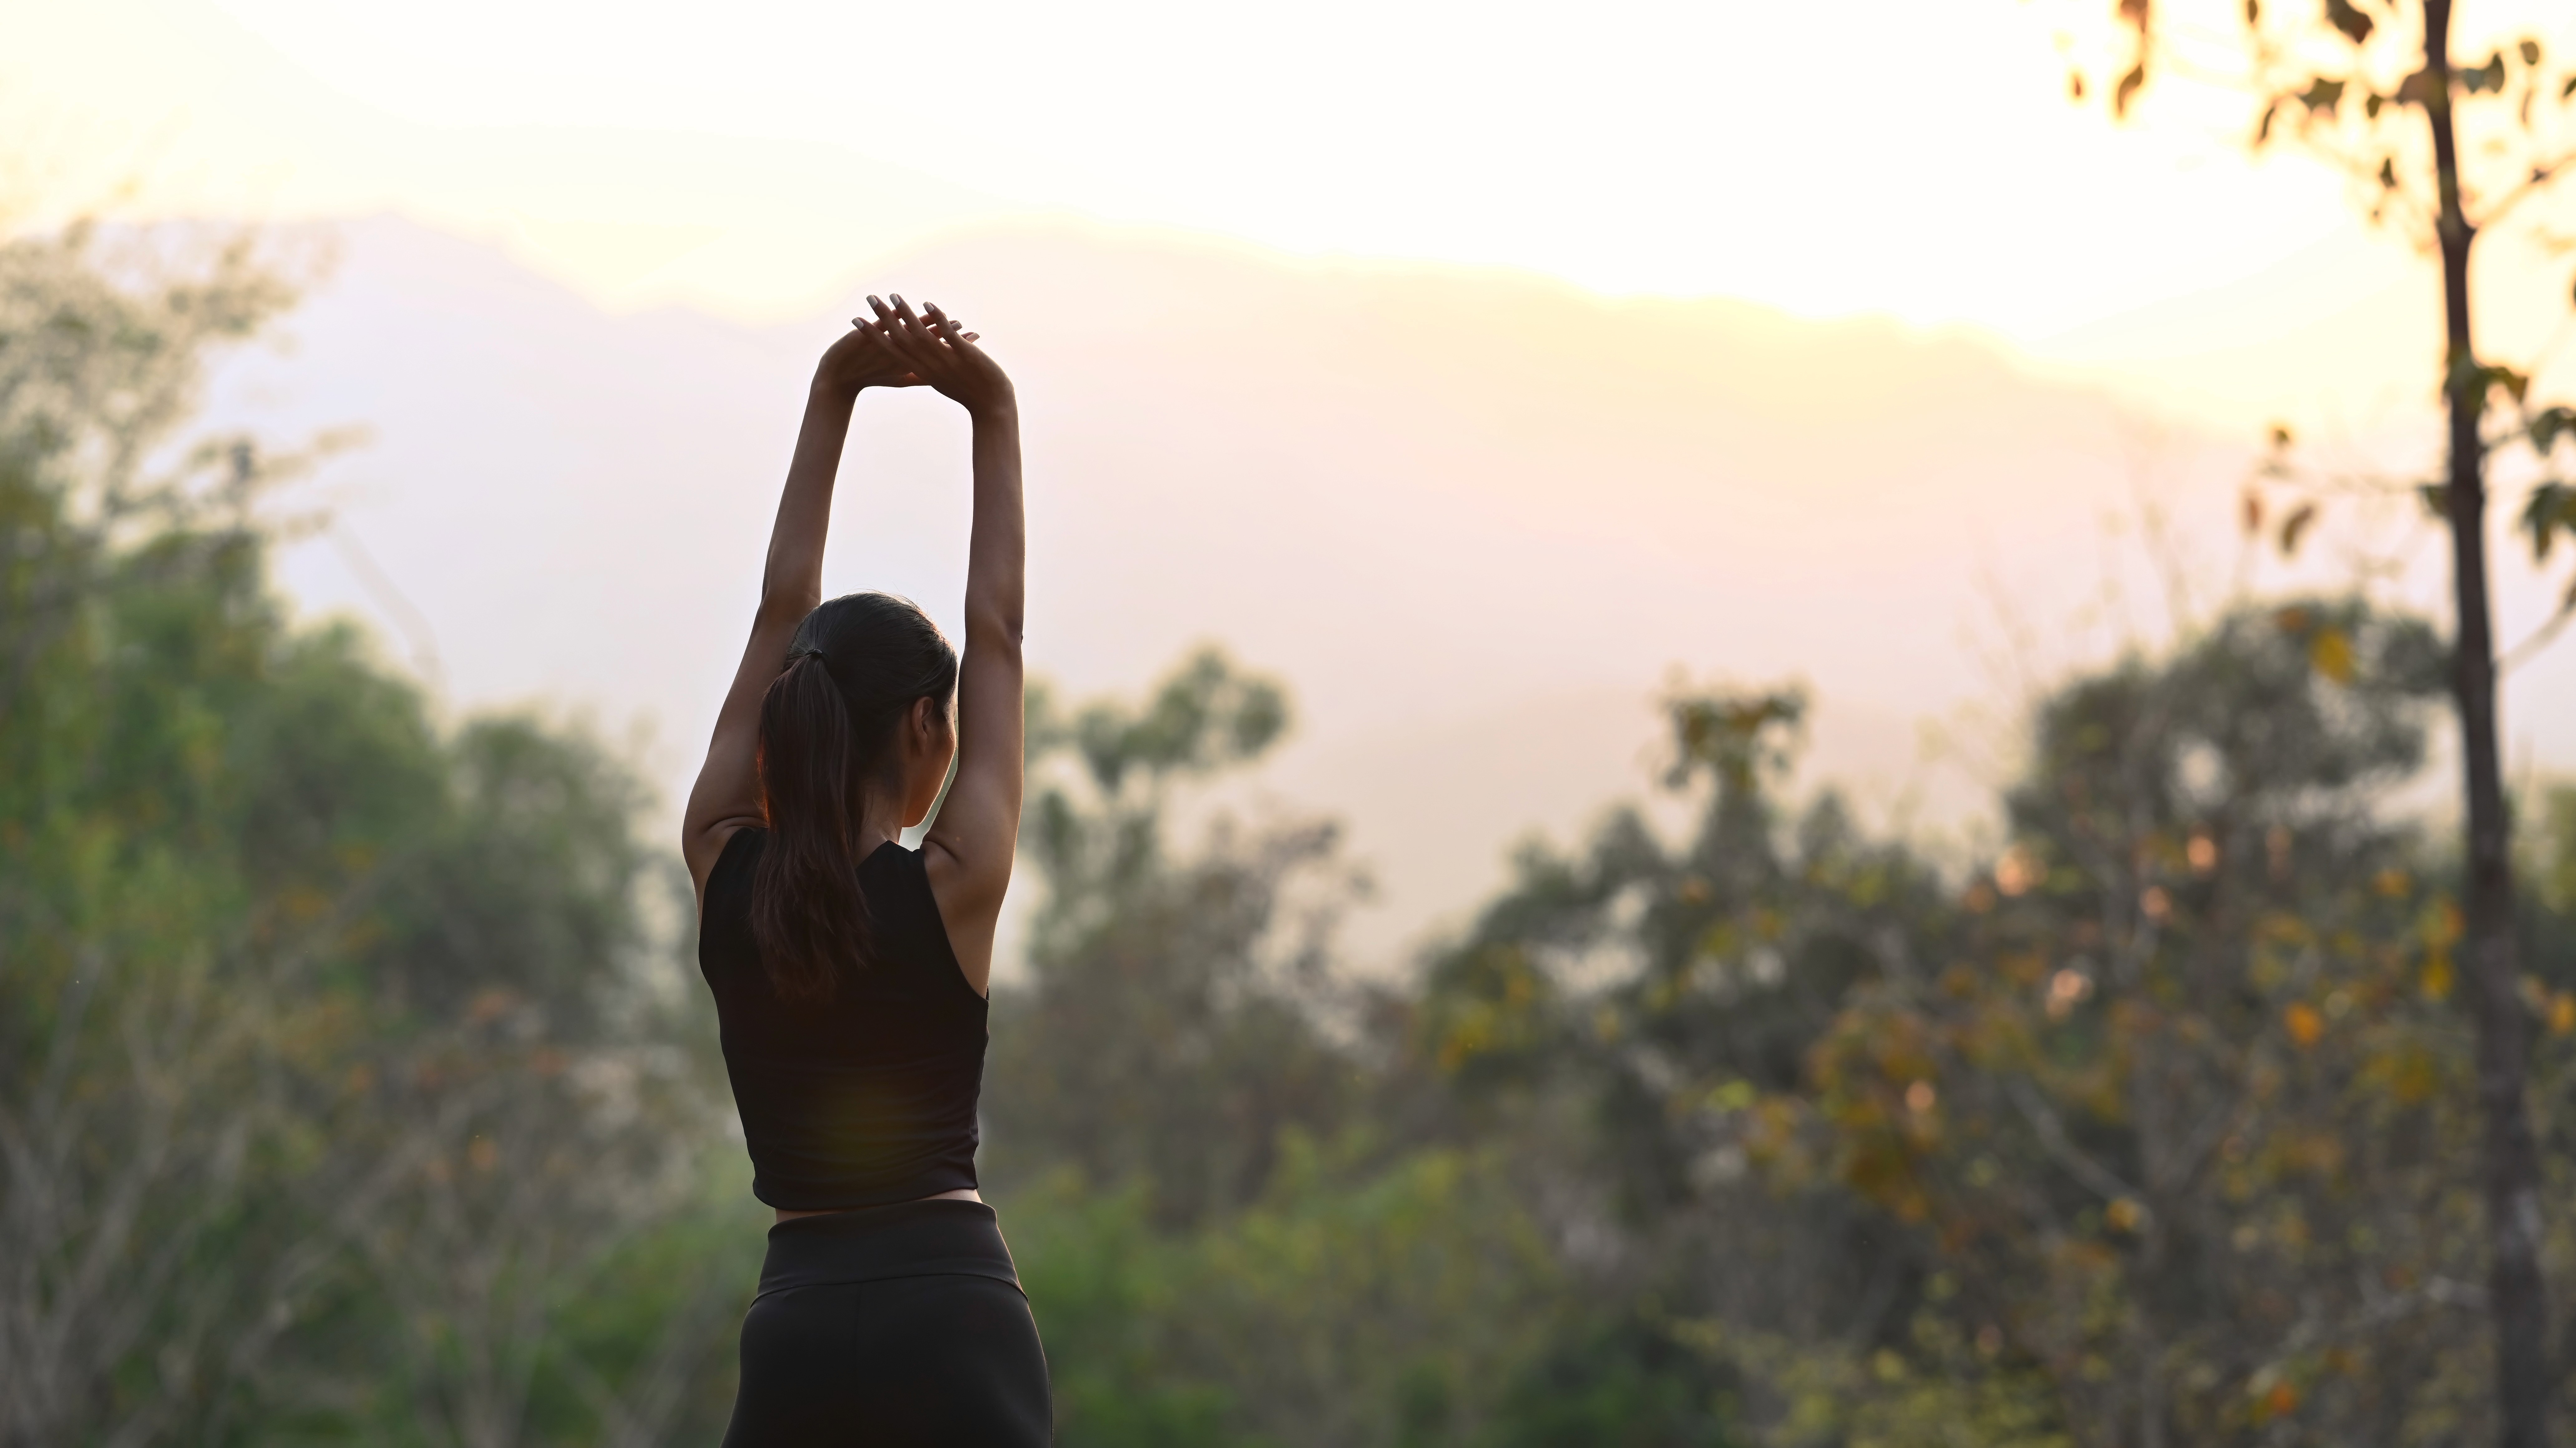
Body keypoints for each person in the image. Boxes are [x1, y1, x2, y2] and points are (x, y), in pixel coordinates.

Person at [681, 294, 1045, 1445]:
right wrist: (991, 409)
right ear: (929, 733)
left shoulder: (721, 863)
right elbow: (999, 630)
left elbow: (781, 605)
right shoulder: (954, 881)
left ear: (785, 731)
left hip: (794, 1317)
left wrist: (833, 390)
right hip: (952, 1310)